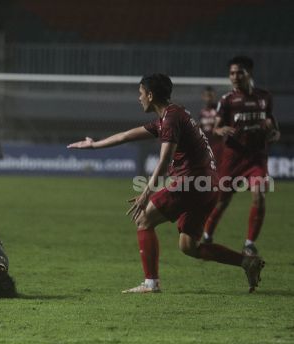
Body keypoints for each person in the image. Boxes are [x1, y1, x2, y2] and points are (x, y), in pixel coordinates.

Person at [67, 73, 264, 293]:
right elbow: (126, 136)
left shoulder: (170, 119)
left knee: (143, 220)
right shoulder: (172, 115)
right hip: (208, 186)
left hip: (191, 181)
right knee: (189, 246)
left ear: (150, 95)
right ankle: (247, 261)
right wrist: (94, 145)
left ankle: (151, 283)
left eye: (140, 93)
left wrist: (146, 194)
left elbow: (163, 160)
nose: (138, 98)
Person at [202, 56, 279, 255]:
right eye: (232, 73)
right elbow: (217, 128)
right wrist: (222, 130)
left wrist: (273, 132)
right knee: (222, 201)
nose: (234, 77)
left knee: (259, 196)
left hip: (256, 158)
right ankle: (207, 235)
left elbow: (273, 125)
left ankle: (249, 244)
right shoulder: (227, 100)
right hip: (233, 157)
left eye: (239, 73)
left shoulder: (264, 97)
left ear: (249, 73)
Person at [198, 86, 224, 164]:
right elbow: (200, 128)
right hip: (206, 146)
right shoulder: (202, 112)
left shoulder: (219, 110)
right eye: (207, 96)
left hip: (218, 144)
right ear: (203, 97)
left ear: (214, 96)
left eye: (211, 96)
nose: (209, 99)